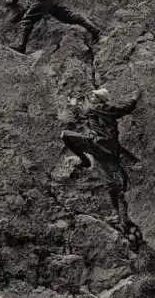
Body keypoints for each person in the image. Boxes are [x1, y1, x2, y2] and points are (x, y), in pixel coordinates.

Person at [61, 87, 142, 223]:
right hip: (105, 150)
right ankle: (117, 214)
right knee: (110, 184)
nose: (92, 97)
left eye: (94, 96)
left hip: (99, 145)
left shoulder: (98, 108)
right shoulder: (100, 111)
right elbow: (124, 110)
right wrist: (134, 99)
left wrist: (134, 98)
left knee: (65, 135)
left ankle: (85, 161)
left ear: (99, 99)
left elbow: (85, 112)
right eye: (92, 96)